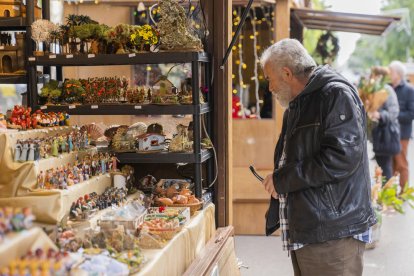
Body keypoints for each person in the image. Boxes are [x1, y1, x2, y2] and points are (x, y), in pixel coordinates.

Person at [259, 39, 377, 276]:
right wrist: (280, 180)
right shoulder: (300, 102)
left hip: (332, 234)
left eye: (269, 79)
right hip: (314, 230)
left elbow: (341, 158)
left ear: (286, 73)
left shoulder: (334, 94)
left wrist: (285, 179)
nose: (269, 87)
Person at [367, 67, 400, 182]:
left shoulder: (387, 90)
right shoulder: (372, 89)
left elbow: (394, 112)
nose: (371, 77)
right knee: (381, 167)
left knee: (385, 168)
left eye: (373, 75)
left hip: (386, 136)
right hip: (377, 135)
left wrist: (379, 115)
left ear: (379, 76)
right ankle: (382, 193)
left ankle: (387, 194)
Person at [388, 61, 414, 190]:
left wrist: (393, 115)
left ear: (398, 74)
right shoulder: (387, 88)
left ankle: (404, 192)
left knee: (401, 163)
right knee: (390, 163)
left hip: (402, 133)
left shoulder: (409, 90)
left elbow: (411, 114)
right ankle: (390, 193)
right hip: (388, 132)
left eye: (391, 71)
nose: (389, 73)